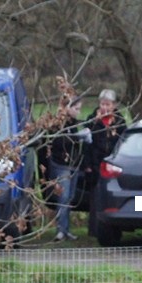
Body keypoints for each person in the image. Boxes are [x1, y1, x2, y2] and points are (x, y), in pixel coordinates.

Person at [47, 95, 91, 241]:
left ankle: (66, 230)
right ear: (68, 108)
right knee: (63, 198)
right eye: (76, 108)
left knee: (70, 198)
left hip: (73, 164)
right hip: (61, 164)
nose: (79, 112)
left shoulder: (73, 123)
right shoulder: (58, 123)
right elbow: (59, 142)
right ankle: (60, 229)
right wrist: (78, 137)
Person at [84, 89, 127, 195]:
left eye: (108, 105)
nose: (105, 108)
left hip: (113, 163)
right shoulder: (91, 120)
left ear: (114, 105)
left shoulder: (120, 121)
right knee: (95, 193)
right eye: (102, 104)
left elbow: (123, 143)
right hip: (95, 163)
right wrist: (87, 165)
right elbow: (86, 144)